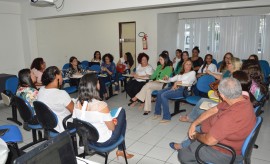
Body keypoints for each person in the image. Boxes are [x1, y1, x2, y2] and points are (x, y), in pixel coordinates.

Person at [173, 78, 256, 164]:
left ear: (222, 96)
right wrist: (195, 123)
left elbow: (210, 141)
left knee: (183, 155)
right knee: (194, 138)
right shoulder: (239, 98)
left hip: (224, 152)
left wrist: (196, 135)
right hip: (218, 138)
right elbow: (214, 109)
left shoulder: (232, 115)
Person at [72, 73, 134, 159]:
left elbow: (78, 121)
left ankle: (120, 150)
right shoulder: (101, 105)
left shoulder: (76, 103)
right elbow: (112, 128)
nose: (99, 84)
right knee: (122, 114)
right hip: (104, 142)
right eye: (98, 82)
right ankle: (121, 150)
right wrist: (113, 122)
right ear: (95, 86)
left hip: (87, 139)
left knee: (118, 120)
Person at [179, 70, 255, 123]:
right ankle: (192, 117)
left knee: (204, 106)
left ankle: (192, 118)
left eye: (231, 79)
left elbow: (225, 104)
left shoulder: (239, 97)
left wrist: (220, 96)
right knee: (202, 101)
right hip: (223, 104)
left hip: (224, 108)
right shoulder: (242, 93)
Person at [37, 66, 74, 133]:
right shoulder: (61, 94)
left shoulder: (41, 89)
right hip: (62, 124)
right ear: (57, 76)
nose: (62, 77)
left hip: (48, 122)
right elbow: (74, 111)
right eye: (61, 74)